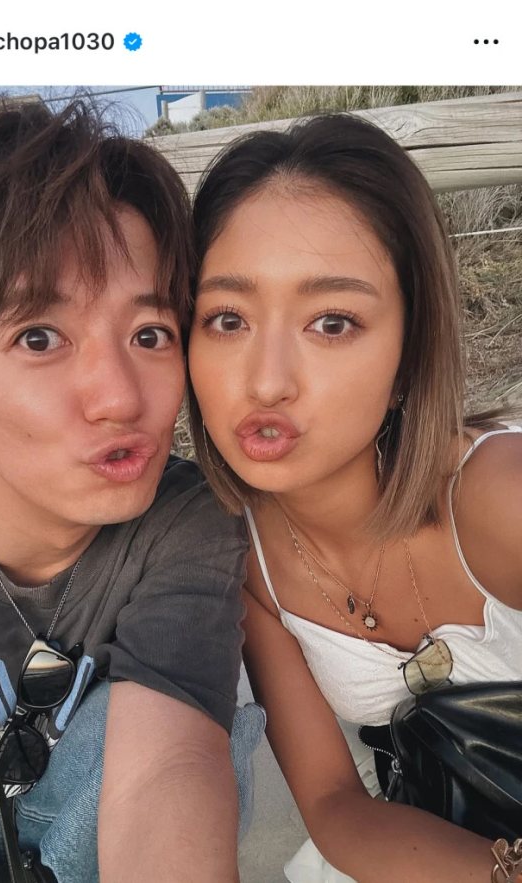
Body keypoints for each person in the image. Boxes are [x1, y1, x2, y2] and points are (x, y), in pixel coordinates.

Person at [0, 98, 263, 883]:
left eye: (149, 334)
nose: (120, 397)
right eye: (40, 338)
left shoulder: (185, 520)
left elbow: (169, 766)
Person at [187, 113, 522, 883]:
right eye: (228, 319)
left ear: (409, 356)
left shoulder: (499, 494)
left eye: (332, 322)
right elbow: (334, 803)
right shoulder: (246, 561)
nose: (266, 380)